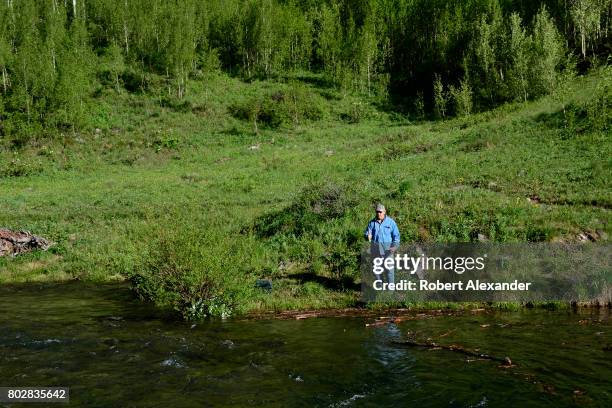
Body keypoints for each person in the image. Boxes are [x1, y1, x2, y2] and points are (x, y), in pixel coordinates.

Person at [364, 203, 400, 284]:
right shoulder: (372, 223)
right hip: (375, 251)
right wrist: (367, 236)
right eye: (377, 212)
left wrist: (394, 247)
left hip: (388, 251)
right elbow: (367, 233)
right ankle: (380, 289)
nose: (378, 213)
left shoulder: (391, 223)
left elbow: (396, 237)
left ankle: (390, 293)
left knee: (389, 271)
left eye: (380, 212)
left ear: (384, 212)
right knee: (377, 271)